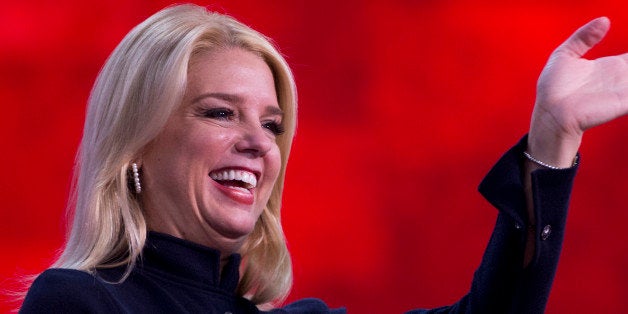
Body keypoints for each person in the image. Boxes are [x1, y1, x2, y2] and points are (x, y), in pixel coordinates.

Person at [18, 3, 628, 314]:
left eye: (273, 124)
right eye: (220, 113)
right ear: (137, 143)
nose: (260, 142)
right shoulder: (79, 302)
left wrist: (552, 138)